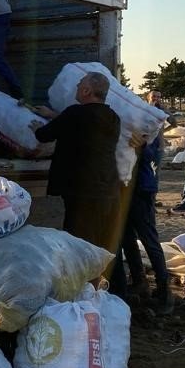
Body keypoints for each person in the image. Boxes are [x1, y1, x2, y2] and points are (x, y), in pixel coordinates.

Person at [31, 71, 121, 261]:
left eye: (79, 84)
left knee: (79, 244)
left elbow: (44, 135)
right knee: (105, 244)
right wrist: (55, 115)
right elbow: (84, 124)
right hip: (108, 188)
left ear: (87, 91)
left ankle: (84, 287)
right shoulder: (112, 117)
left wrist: (35, 127)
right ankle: (113, 288)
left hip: (82, 192)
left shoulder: (74, 113)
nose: (77, 87)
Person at [117, 131, 174, 314]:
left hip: (141, 191)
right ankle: (139, 280)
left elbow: (152, 154)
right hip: (123, 192)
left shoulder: (142, 124)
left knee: (149, 240)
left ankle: (164, 290)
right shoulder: (121, 122)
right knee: (127, 239)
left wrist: (142, 145)